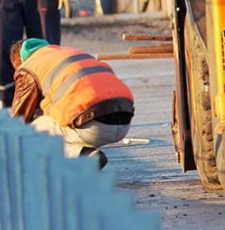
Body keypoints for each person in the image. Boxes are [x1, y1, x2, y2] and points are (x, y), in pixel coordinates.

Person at [10, 38, 134, 169]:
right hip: (124, 122)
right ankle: (88, 155)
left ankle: (82, 156)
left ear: (19, 61)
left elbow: (18, 120)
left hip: (92, 125)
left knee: (32, 130)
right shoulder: (74, 53)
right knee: (58, 117)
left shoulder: (29, 67)